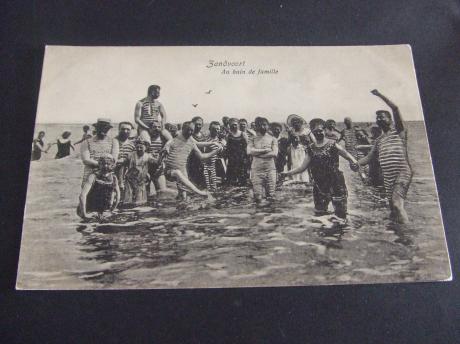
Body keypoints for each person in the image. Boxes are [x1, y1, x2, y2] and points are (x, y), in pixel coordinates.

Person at [282, 119, 359, 220]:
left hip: (335, 182)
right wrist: (287, 173)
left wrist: (354, 162)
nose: (319, 132)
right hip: (319, 183)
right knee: (320, 214)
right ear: (312, 133)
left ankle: (340, 232)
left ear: (325, 131)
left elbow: (347, 155)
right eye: (316, 131)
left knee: (341, 213)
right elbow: (302, 167)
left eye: (321, 130)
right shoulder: (310, 148)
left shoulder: (333, 144)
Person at [358, 90, 413, 223]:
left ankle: (408, 234)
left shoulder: (399, 131)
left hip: (402, 172)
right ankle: (396, 233)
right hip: (388, 177)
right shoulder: (379, 140)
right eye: (377, 117)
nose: (379, 119)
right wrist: (355, 162)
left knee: (397, 205)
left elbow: (395, 108)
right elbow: (368, 158)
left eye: (382, 116)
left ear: (390, 119)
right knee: (393, 209)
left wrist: (379, 95)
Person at [164, 121, 222, 200]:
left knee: (183, 196)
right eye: (188, 130)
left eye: (191, 130)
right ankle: (200, 193)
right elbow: (168, 143)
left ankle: (182, 206)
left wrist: (215, 150)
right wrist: (166, 148)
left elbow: (202, 156)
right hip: (170, 170)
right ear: (182, 129)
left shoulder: (191, 142)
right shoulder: (176, 138)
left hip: (182, 170)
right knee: (177, 173)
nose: (189, 132)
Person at [78, 154, 120, 220]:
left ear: (112, 165)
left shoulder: (114, 178)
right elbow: (82, 195)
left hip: (105, 211)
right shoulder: (93, 176)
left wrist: (111, 210)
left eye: (108, 164)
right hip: (91, 210)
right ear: (99, 164)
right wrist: (84, 214)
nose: (105, 166)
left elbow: (118, 196)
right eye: (103, 163)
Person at [80, 118, 119, 187]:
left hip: (107, 174)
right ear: (96, 128)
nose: (103, 130)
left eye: (106, 128)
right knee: (87, 195)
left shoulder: (114, 142)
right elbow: (85, 160)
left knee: (108, 195)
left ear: (109, 129)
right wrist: (103, 165)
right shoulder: (86, 142)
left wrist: (104, 166)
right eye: (100, 127)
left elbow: (114, 160)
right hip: (90, 173)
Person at [247, 117, 278, 203]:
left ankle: (271, 215)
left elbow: (274, 153)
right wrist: (264, 150)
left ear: (268, 126)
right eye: (260, 125)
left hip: (270, 169)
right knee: (257, 196)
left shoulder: (273, 139)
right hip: (256, 170)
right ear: (256, 127)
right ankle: (259, 215)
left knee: (271, 195)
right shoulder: (252, 138)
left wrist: (257, 155)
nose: (262, 127)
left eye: (264, 125)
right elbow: (249, 151)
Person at [120, 138, 157, 206]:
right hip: (130, 178)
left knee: (140, 201)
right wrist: (121, 181)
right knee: (127, 200)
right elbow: (123, 165)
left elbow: (156, 163)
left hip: (141, 179)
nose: (139, 149)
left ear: (145, 148)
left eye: (141, 147)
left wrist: (160, 157)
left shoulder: (148, 156)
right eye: (137, 147)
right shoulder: (130, 155)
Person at [203, 121, 226, 191]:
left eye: (218, 129)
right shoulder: (205, 139)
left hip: (216, 165)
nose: (216, 131)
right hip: (206, 165)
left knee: (215, 187)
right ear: (210, 129)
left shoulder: (221, 140)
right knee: (207, 186)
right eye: (214, 129)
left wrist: (223, 145)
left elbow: (223, 154)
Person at [225, 118, 249, 186]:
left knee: (242, 173)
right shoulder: (228, 135)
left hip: (241, 156)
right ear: (229, 126)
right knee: (231, 173)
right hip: (232, 157)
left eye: (235, 125)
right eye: (232, 125)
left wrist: (246, 157)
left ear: (238, 125)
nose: (234, 126)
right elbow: (227, 146)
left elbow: (247, 146)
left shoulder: (243, 134)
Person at [187, 116, 207, 189]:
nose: (198, 126)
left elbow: (205, 148)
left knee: (202, 182)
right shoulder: (190, 134)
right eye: (196, 124)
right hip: (191, 160)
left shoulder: (203, 135)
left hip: (201, 161)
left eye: (200, 124)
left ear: (202, 125)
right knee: (192, 182)